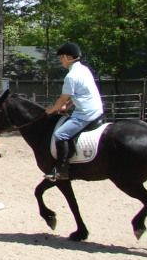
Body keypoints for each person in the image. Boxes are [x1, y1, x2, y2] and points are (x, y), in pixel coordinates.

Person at [44, 42, 104, 181]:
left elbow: (62, 99)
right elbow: (77, 95)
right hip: (96, 108)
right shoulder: (84, 70)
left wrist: (51, 110)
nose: (60, 61)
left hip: (85, 114)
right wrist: (68, 106)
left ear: (68, 57)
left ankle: (61, 170)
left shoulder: (71, 77)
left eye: (61, 58)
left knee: (60, 135)